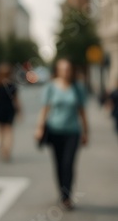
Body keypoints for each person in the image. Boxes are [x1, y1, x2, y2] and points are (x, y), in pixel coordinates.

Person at [35, 58, 88, 210]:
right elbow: (45, 109)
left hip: (73, 132)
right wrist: (39, 128)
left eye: (68, 69)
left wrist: (86, 131)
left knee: (68, 163)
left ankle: (67, 196)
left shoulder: (78, 87)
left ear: (72, 70)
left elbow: (82, 112)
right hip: (54, 131)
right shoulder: (50, 87)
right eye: (62, 69)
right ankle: (62, 192)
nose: (65, 72)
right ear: (57, 70)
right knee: (58, 164)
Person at [0, 63, 21, 161]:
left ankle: (2, 148)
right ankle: (7, 149)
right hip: (10, 109)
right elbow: (16, 100)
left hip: (0, 108)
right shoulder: (12, 85)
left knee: (0, 130)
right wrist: (19, 111)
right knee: (9, 130)